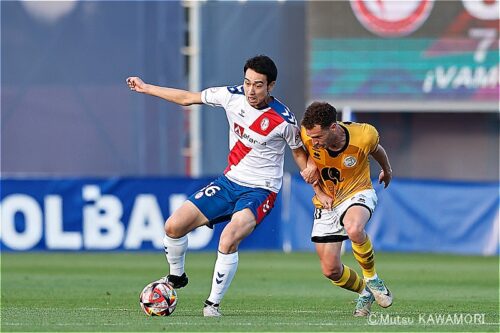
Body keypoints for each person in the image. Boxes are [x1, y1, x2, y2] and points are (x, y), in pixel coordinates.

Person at [126, 55, 315, 317]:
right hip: (228, 183)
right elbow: (186, 98)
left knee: (228, 238)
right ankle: (176, 277)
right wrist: (147, 88)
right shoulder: (230, 96)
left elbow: (298, 152)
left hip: (261, 191)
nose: (251, 90)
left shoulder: (284, 119)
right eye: (248, 82)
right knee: (173, 226)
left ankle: (212, 305)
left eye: (258, 85)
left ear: (271, 86)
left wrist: (310, 171)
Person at [300, 101, 393, 317]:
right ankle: (365, 291)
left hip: (357, 192)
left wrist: (387, 170)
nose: (313, 142)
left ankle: (372, 279)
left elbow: (377, 150)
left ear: (333, 127)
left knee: (353, 228)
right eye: (311, 137)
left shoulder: (364, 135)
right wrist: (311, 167)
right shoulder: (307, 136)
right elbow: (302, 154)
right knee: (331, 270)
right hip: (327, 202)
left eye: (318, 137)